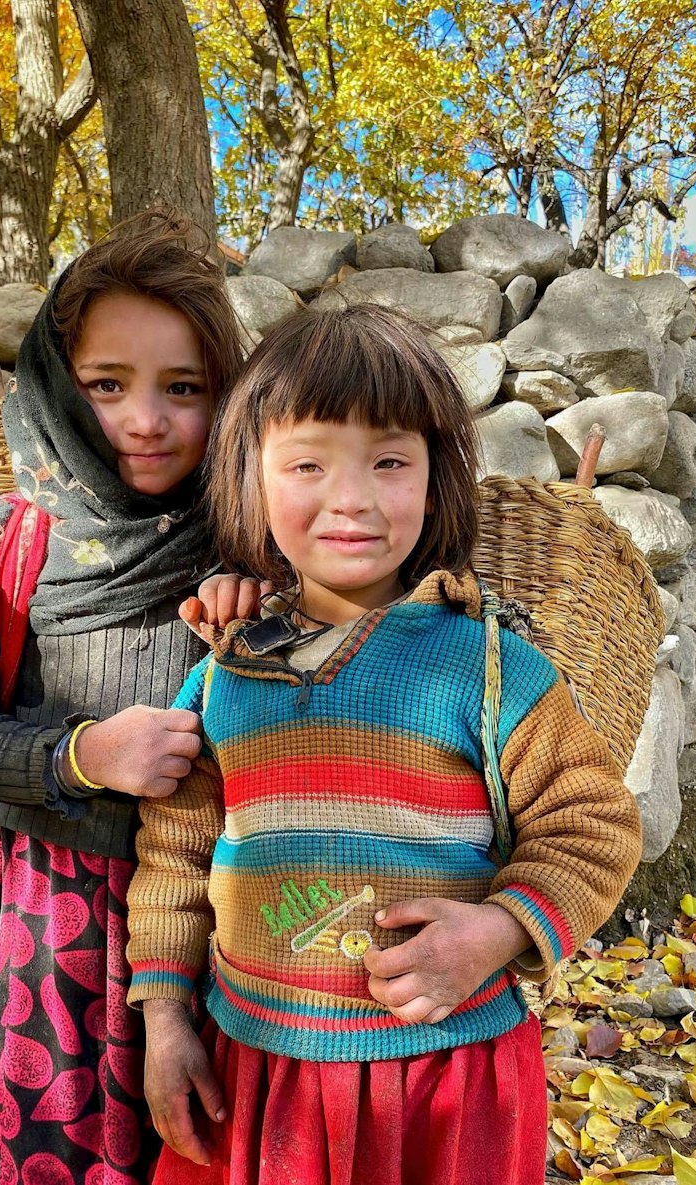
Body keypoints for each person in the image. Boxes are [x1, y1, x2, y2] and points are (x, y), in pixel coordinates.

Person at [125, 304, 643, 1185]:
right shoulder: (229, 670)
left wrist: (495, 928)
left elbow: (592, 824)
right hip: (259, 1061)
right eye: (307, 464)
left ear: (439, 478)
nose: (353, 497)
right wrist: (166, 1018)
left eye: (391, 461)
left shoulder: (491, 667)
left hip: (445, 1077)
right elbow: (173, 853)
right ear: (251, 482)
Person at [0, 209, 256, 1185]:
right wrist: (83, 756)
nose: (145, 419)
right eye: (106, 385)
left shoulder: (256, 542)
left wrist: (268, 614)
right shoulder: (8, 542)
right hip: (45, 927)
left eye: (185, 388)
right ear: (54, 385)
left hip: (218, 928)